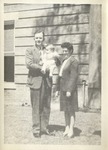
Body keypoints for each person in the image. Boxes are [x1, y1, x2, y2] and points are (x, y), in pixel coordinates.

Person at [25, 31, 52, 138]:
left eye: (40, 38)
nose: (38, 40)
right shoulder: (30, 50)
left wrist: (51, 64)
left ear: (43, 39)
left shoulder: (47, 50)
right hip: (35, 82)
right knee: (36, 107)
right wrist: (42, 67)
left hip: (47, 82)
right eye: (36, 38)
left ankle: (44, 128)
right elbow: (29, 64)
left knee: (46, 106)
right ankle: (36, 130)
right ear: (34, 39)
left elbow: (55, 60)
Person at [56, 42, 78, 138]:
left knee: (71, 110)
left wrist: (69, 90)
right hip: (63, 88)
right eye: (63, 51)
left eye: (66, 51)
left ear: (71, 51)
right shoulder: (64, 60)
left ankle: (72, 130)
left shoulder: (73, 61)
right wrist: (57, 89)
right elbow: (59, 75)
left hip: (70, 90)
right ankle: (67, 127)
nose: (64, 52)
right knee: (65, 110)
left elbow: (73, 77)